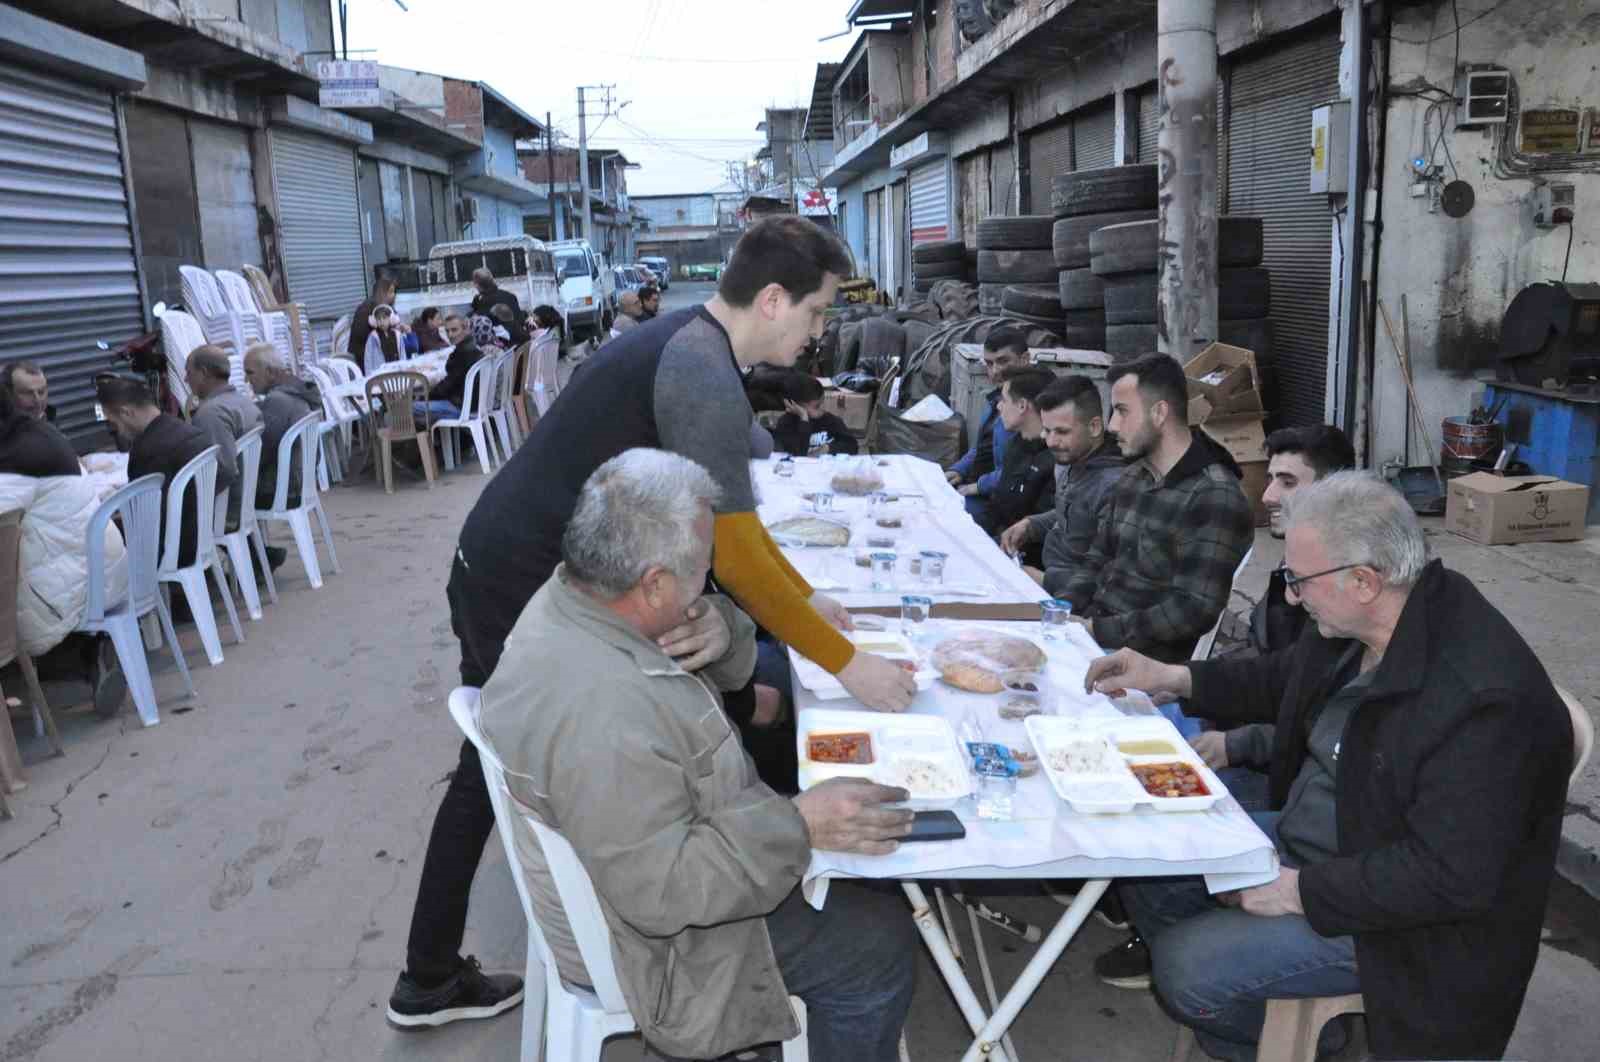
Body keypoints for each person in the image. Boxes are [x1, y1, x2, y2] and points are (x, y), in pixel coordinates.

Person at [388, 215, 917, 1030]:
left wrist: (804, 603)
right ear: (772, 299)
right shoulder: (702, 370)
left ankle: (444, 962)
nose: (819, 335)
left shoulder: (695, 344)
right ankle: (440, 971)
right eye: (815, 314)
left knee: (696, 674)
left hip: (531, 558)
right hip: (522, 575)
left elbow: (731, 534)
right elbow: (733, 558)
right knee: (491, 766)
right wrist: (848, 664)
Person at [1084, 472, 1573, 1062]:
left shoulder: (1484, 699)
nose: (1290, 596)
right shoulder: (1366, 621)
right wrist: (1174, 678)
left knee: (1187, 969)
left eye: (1298, 580)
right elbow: (1283, 678)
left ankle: (1301, 1039)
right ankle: (1289, 1017)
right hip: (1322, 841)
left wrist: (1297, 892)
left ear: (1364, 580)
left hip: (1408, 926)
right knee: (1146, 851)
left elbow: (1448, 877)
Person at [479, 449, 917, 1060]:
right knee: (878, 942)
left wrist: (719, 626)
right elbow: (664, 893)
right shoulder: (603, 713)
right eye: (701, 570)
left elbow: (703, 673)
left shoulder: (583, 596)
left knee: (821, 800)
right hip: (658, 941)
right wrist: (799, 825)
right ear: (655, 583)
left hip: (663, 840)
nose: (709, 577)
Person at [1189, 426, 1355, 810]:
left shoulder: (1343, 592)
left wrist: (1240, 743)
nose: (1267, 496)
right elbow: (1265, 658)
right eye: (1270, 480)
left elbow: (1326, 715)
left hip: (1295, 781)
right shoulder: (1293, 564)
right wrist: (1187, 680)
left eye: (1288, 482)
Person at [1051, 354, 1252, 663]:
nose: (1112, 425)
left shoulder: (1214, 495)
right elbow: (1095, 560)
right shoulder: (1134, 475)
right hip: (1093, 636)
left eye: (1121, 411)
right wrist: (1061, 612)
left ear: (1159, 413)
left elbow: (1191, 611)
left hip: (1142, 662)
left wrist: (1096, 629)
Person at [0, 386, 127, 716]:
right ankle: (92, 651)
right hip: (100, 571)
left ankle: (83, 659)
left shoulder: (14, 462)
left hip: (71, 587)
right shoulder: (38, 434)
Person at [98, 375, 235, 569]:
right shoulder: (187, 430)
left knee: (97, 538)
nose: (115, 432)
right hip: (203, 536)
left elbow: (144, 519)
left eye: (112, 424)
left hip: (174, 550)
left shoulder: (146, 450)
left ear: (126, 412)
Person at [999, 376, 1125, 586]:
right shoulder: (1071, 458)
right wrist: (1031, 525)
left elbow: (1112, 579)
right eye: (1047, 431)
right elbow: (1073, 514)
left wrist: (1044, 580)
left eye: (1062, 432)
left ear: (1094, 427)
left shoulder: (1114, 486)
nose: (1051, 442)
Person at [946, 329, 1028, 526]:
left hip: (998, 503)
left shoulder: (1031, 405)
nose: (995, 371)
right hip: (979, 489)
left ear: (1025, 359)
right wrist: (959, 470)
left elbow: (1020, 470)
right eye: (989, 363)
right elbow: (983, 447)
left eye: (1003, 361)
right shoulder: (997, 399)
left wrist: (977, 487)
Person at [185, 345, 261, 534]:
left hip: (228, 512)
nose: (186, 379)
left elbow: (224, 470)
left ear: (203, 373)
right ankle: (253, 555)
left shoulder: (210, 414)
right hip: (248, 500)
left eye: (188, 372)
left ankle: (206, 563)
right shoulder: (243, 402)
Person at [980, 365, 1058, 535]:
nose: (999, 406)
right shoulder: (1016, 443)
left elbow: (1040, 531)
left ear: (1022, 405)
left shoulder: (1056, 459)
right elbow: (996, 506)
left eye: (1004, 400)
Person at [243, 344, 315, 511]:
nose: (246, 380)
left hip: (284, 490)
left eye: (250, 373)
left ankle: (245, 538)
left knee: (223, 497)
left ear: (270, 372)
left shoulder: (277, 401)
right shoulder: (297, 392)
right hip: (302, 482)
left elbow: (260, 453)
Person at [770, 371, 859, 457]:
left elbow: (852, 446)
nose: (823, 409)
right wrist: (804, 419)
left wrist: (828, 448)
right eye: (817, 406)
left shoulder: (830, 421)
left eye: (822, 403)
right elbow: (799, 454)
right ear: (796, 405)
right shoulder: (786, 424)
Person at [416, 315, 482, 421]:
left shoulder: (463, 353)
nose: (450, 335)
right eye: (447, 331)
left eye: (454, 330)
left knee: (411, 408)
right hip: (473, 403)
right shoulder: (472, 347)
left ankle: (444, 432)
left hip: (461, 406)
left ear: (465, 329)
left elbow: (446, 387)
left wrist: (425, 396)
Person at [347, 277, 397, 359]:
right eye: (391, 292)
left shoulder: (386, 307)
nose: (393, 295)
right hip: (366, 356)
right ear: (382, 293)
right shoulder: (366, 309)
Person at [362, 304, 403, 374]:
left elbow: (402, 353)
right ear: (374, 321)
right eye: (378, 319)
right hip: (380, 373)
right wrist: (369, 375)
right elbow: (368, 358)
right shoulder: (372, 337)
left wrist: (403, 367)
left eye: (384, 318)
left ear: (391, 319)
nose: (381, 321)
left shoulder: (397, 334)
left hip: (397, 370)